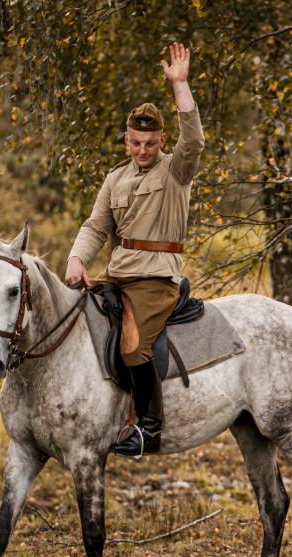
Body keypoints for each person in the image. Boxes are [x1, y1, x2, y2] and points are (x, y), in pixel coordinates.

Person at [65, 42, 205, 458]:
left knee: (132, 346)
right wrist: (76, 259)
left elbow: (193, 140)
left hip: (156, 278)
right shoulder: (115, 179)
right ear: (126, 140)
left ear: (161, 139)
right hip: (119, 276)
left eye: (150, 142)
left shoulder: (176, 170)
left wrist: (180, 85)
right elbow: (96, 226)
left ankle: (148, 428)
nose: (143, 150)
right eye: (135, 143)